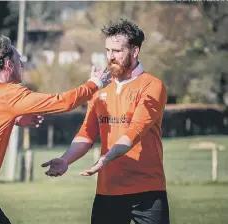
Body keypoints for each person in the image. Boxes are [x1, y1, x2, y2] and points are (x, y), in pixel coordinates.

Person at [0, 35, 111, 224]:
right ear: (9, 65)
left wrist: (16, 119)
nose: (22, 66)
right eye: (20, 62)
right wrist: (95, 83)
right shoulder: (9, 93)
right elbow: (63, 102)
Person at [42, 19, 170, 224]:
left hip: (147, 190)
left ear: (135, 51)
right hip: (108, 190)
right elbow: (86, 133)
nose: (110, 57)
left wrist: (105, 158)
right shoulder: (100, 87)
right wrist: (66, 160)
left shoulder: (152, 86)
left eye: (117, 51)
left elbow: (135, 131)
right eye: (107, 50)